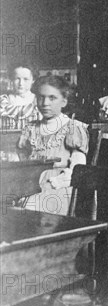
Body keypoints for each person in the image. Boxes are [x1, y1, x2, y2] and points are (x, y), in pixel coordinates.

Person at [18, 75, 89, 215]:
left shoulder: (73, 128)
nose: (45, 103)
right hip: (30, 186)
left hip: (59, 189)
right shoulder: (30, 128)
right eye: (41, 97)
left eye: (52, 98)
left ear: (64, 101)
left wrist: (53, 183)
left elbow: (78, 171)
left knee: (28, 209)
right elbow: (22, 163)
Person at [0, 64, 40, 130]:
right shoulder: (2, 100)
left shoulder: (39, 100)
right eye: (17, 79)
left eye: (26, 79)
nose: (21, 83)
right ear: (11, 79)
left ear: (33, 80)